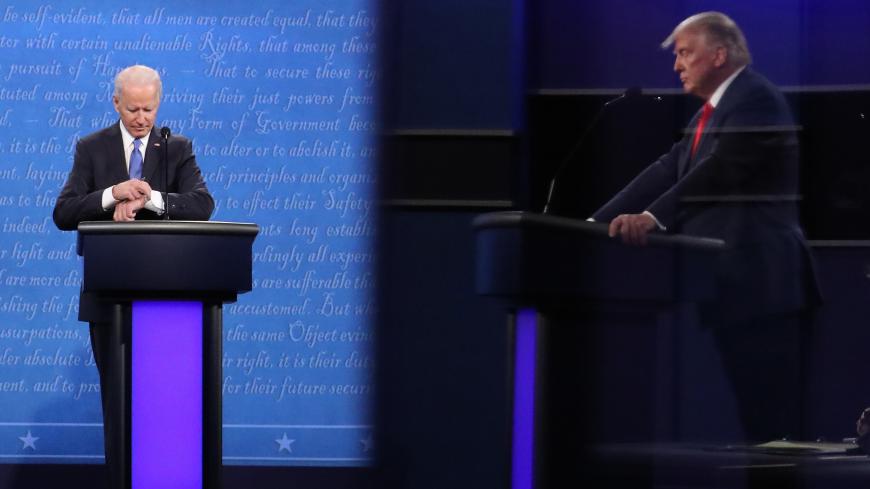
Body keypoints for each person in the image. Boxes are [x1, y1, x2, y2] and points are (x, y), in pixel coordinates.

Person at [592, 12, 820, 442]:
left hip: (768, 285)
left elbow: (721, 167)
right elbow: (666, 169)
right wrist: (593, 222)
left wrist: (652, 218)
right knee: (757, 422)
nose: (677, 65)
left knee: (775, 426)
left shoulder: (755, 97)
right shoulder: (710, 115)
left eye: (685, 53)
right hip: (740, 289)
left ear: (719, 54)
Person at [53, 64, 214, 484]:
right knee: (119, 404)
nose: (142, 118)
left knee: (163, 407)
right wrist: (111, 195)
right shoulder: (92, 148)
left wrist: (149, 198)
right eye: (133, 109)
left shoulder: (176, 148)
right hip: (108, 300)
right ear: (116, 103)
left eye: (149, 109)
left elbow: (202, 206)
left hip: (168, 302)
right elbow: (64, 212)